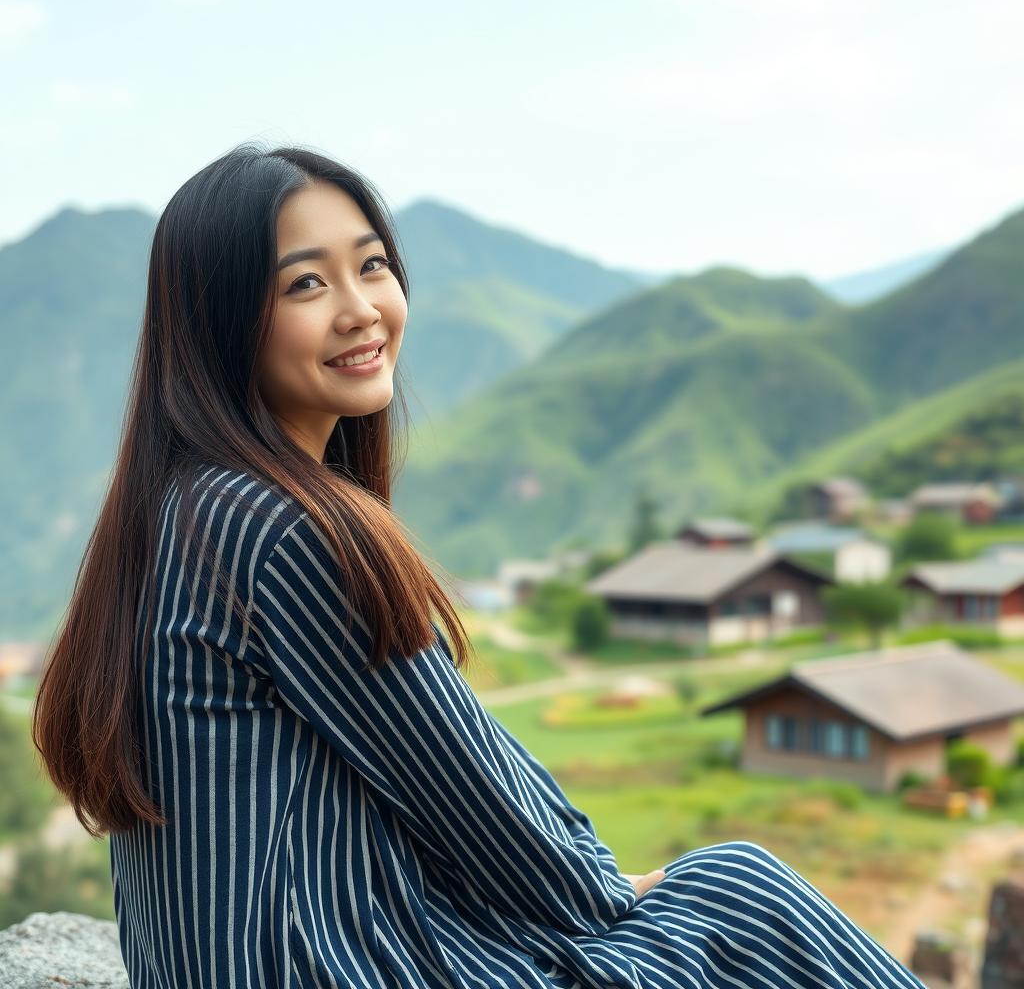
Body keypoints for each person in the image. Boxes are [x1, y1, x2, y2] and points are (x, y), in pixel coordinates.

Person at [31, 143, 927, 988]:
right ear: (221, 323)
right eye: (307, 282)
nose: (360, 308)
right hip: (336, 968)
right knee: (741, 888)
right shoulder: (285, 529)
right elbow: (478, 802)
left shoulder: (182, 503)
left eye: (372, 265)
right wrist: (613, 893)